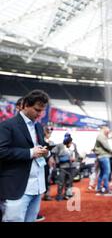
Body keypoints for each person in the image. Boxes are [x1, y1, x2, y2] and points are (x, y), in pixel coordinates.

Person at [0, 90, 50, 222]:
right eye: (37, 110)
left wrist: (46, 152)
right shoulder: (7, 126)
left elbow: (41, 146)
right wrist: (30, 153)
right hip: (16, 187)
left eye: (42, 111)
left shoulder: (38, 127)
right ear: (25, 105)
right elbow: (1, 151)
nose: (39, 114)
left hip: (37, 186)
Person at [52, 132, 79, 201]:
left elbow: (77, 154)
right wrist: (58, 161)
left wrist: (75, 159)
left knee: (69, 182)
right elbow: (54, 153)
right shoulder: (59, 145)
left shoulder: (74, 145)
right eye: (66, 137)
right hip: (62, 166)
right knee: (61, 182)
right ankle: (59, 195)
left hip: (71, 166)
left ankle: (68, 195)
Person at [94, 126, 112, 195]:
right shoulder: (101, 136)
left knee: (102, 173)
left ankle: (99, 188)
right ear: (104, 129)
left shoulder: (100, 136)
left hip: (101, 156)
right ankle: (105, 188)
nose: (108, 131)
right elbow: (106, 145)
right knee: (107, 172)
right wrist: (111, 151)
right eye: (107, 130)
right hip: (103, 156)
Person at [42, 126, 55, 201]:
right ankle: (45, 194)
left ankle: (47, 194)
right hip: (42, 162)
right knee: (45, 179)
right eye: (48, 132)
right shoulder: (42, 141)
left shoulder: (50, 142)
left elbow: (52, 153)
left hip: (47, 163)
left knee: (48, 179)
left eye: (50, 132)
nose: (50, 133)